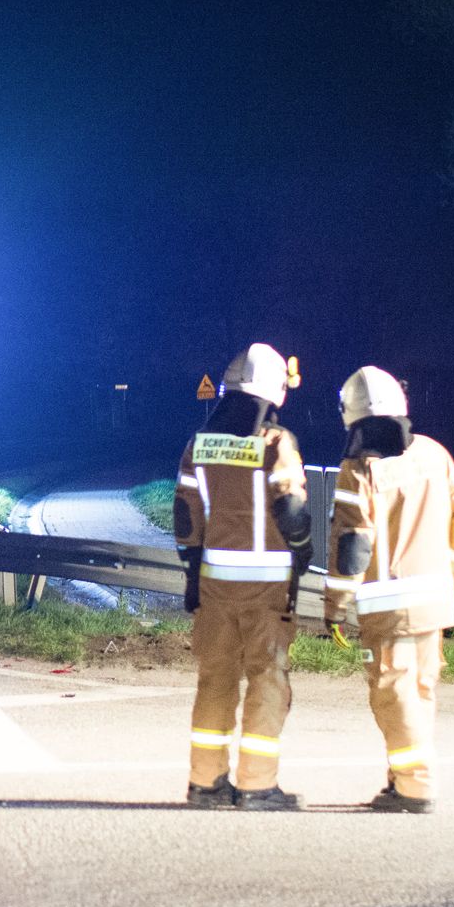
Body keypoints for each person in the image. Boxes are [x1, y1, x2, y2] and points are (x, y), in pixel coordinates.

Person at [324, 366, 454, 815]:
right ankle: (403, 779)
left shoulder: (359, 470)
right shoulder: (433, 453)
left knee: (394, 695)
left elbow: (353, 545)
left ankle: (414, 785)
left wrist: (335, 606)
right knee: (420, 691)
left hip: (388, 608)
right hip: (435, 602)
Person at [172, 344, 313, 811]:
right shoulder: (276, 444)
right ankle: (256, 785)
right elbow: (292, 511)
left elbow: (185, 519)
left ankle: (205, 783)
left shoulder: (199, 445)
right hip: (266, 597)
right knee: (267, 683)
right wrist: (303, 551)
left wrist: (193, 572)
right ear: (273, 391)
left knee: (215, 682)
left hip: (214, 591)